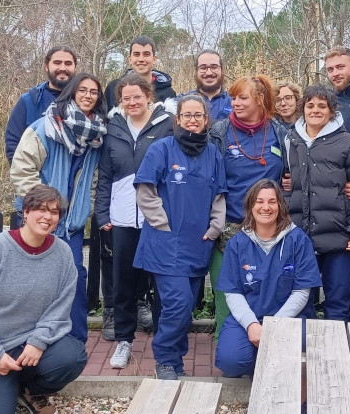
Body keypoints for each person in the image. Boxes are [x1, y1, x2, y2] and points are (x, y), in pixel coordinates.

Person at [0, 185, 87, 413]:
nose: (47, 217)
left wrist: (38, 341)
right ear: (25, 212)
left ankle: (29, 388)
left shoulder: (63, 254)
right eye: (41, 209)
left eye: (54, 212)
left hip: (29, 347)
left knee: (71, 357)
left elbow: (60, 308)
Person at [133, 94, 227, 379]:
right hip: (166, 244)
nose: (192, 120)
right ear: (178, 119)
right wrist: (162, 224)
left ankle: (175, 363)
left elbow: (219, 196)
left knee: (184, 309)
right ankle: (164, 359)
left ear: (206, 120)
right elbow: (145, 192)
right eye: (187, 115)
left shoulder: (213, 154)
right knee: (178, 305)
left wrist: (215, 228)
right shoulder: (162, 149)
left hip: (198, 244)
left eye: (198, 115)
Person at [10, 72, 107, 343]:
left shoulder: (97, 137)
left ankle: (74, 341)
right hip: (39, 221)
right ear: (72, 92)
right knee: (32, 281)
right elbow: (22, 169)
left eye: (94, 92)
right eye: (83, 90)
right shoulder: (44, 127)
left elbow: (93, 179)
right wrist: (42, 208)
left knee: (74, 279)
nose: (88, 95)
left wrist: (84, 208)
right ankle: (24, 338)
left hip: (71, 224)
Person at [95, 73, 174, 369]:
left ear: (148, 95)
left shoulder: (167, 123)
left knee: (160, 281)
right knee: (123, 283)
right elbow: (105, 174)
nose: (132, 102)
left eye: (136, 97)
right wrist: (103, 214)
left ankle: (163, 343)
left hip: (157, 217)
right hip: (123, 218)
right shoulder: (113, 127)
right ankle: (124, 341)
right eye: (125, 98)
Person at [283, 84, 350, 321]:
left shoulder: (346, 142)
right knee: (301, 301)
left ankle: (336, 355)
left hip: (339, 237)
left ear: (332, 111)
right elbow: (285, 182)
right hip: (301, 237)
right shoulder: (291, 140)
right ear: (303, 109)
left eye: (322, 106)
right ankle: (304, 352)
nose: (315, 110)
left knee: (338, 302)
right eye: (310, 105)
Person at [214, 179, 321, 378]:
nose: (266, 207)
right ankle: (256, 359)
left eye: (272, 201)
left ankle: (273, 366)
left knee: (300, 352)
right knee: (231, 360)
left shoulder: (298, 240)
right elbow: (233, 292)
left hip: (290, 318)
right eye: (259, 201)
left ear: (280, 205)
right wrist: (252, 325)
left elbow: (301, 292)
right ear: (250, 206)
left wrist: (274, 326)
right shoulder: (237, 243)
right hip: (249, 318)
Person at [208, 74, 287, 340]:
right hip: (229, 229)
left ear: (260, 100)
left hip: (269, 228)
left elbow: (293, 173)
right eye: (233, 98)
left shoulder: (280, 133)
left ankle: (267, 345)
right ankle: (226, 346)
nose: (235, 103)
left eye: (242, 97)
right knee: (226, 294)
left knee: (267, 291)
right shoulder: (219, 132)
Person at [105, 35, 175, 329]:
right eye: (137, 53)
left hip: (155, 208)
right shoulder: (113, 102)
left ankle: (155, 317)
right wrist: (100, 212)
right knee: (120, 267)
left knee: (156, 268)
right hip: (121, 209)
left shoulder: (168, 108)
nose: (142, 58)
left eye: (148, 53)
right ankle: (118, 320)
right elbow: (106, 168)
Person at [4, 46, 77, 164]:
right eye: (57, 63)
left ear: (75, 67)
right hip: (37, 179)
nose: (63, 68)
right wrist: (25, 178)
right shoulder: (29, 101)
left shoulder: (86, 101)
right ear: (47, 66)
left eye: (68, 63)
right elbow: (13, 143)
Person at [105, 35, 176, 111]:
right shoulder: (113, 88)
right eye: (136, 54)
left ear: (154, 59)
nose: (141, 59)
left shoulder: (168, 93)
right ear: (130, 59)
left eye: (146, 54)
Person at [176, 49, 232, 121]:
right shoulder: (179, 102)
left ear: (222, 70)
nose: (209, 73)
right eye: (203, 68)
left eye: (214, 67)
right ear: (196, 71)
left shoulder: (235, 102)